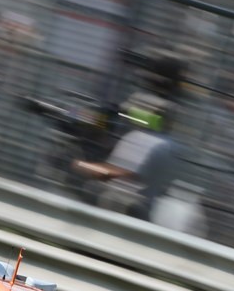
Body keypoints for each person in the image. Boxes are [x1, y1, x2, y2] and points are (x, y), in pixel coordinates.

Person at [72, 93, 183, 221]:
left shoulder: (142, 139)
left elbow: (118, 173)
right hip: (147, 213)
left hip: (123, 210)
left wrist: (78, 165)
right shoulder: (171, 145)